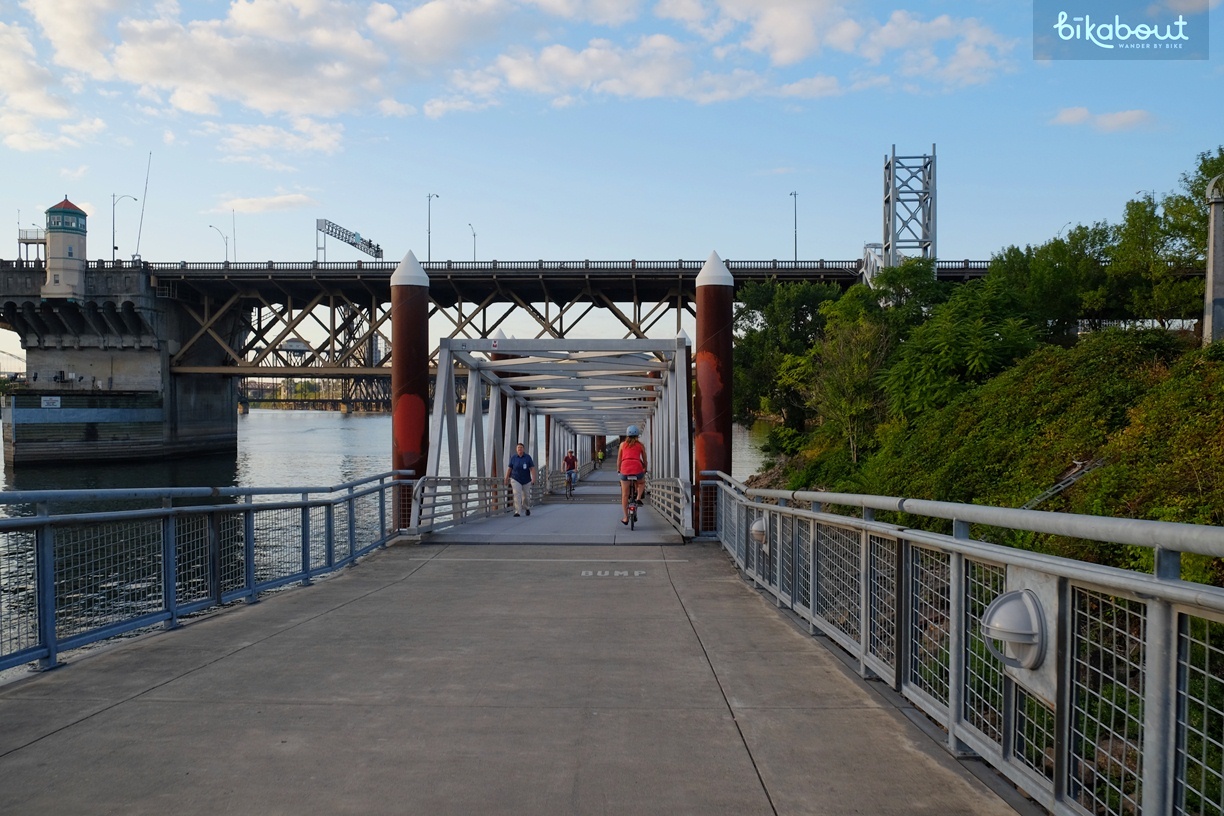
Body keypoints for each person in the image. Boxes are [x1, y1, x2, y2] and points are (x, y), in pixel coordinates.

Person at [616, 424, 647, 525]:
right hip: (637, 467)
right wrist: (645, 468)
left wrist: (618, 469)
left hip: (625, 468)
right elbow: (645, 460)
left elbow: (619, 459)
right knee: (641, 483)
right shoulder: (640, 445)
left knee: (625, 495)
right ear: (637, 435)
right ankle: (638, 498)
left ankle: (625, 517)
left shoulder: (622, 444)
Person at [504, 441, 536, 517]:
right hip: (515, 478)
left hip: (526, 479)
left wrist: (533, 478)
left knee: (526, 496)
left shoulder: (528, 457)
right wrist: (506, 478)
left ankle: (527, 508)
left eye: (521, 448)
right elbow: (509, 469)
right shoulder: (513, 458)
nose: (520, 449)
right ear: (516, 449)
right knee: (517, 495)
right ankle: (517, 511)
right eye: (518, 448)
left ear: (523, 449)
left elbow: (532, 469)